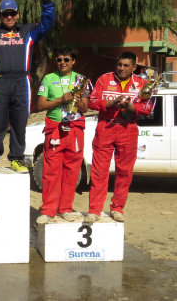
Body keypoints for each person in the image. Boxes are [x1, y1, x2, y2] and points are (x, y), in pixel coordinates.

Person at [0, 0, 55, 174]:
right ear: (0, 16)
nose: (9, 16)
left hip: (22, 82)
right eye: (5, 14)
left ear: (18, 14)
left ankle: (17, 159)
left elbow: (47, 23)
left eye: (13, 13)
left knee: (20, 122)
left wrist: (47, 2)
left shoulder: (28, 31)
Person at [86, 51, 154, 223]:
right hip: (105, 127)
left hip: (128, 129)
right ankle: (94, 210)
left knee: (124, 172)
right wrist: (110, 103)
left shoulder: (141, 83)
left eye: (126, 65)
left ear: (134, 67)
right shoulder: (104, 79)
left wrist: (130, 106)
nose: (121, 68)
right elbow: (92, 102)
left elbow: (148, 108)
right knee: (99, 171)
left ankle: (117, 208)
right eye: (119, 64)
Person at [35, 48, 91, 224]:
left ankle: (65, 208)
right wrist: (61, 99)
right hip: (55, 129)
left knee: (72, 171)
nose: (62, 63)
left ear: (73, 61)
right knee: (51, 171)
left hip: (74, 129)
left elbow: (85, 108)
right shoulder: (49, 78)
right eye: (59, 60)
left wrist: (77, 98)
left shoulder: (81, 80)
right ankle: (48, 210)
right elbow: (40, 105)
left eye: (66, 59)